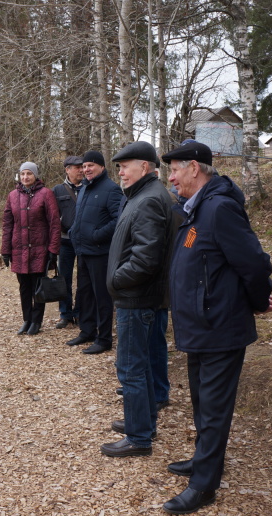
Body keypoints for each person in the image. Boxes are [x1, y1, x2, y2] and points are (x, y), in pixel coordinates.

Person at [162, 142, 272, 514]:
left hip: (219, 326)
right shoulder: (196, 209)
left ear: (194, 168)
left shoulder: (220, 207)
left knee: (213, 409)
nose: (171, 178)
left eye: (175, 170)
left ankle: (204, 485)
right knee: (200, 402)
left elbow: (254, 264)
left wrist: (257, 301)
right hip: (200, 325)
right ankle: (202, 460)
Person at [100, 141, 175, 458]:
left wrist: (117, 281)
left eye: (125, 166)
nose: (120, 172)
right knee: (140, 366)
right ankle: (142, 422)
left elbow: (146, 259)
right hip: (141, 297)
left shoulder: (148, 200)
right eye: (119, 166)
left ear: (145, 167)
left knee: (131, 368)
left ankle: (139, 436)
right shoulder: (144, 195)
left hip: (137, 299)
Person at [66, 150, 123, 354]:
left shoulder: (112, 189)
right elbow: (80, 217)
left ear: (101, 167)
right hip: (83, 251)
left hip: (100, 253)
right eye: (84, 166)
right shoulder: (84, 189)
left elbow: (119, 220)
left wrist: (98, 235)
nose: (86, 169)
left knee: (102, 297)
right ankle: (87, 331)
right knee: (85, 294)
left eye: (91, 165)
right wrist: (74, 232)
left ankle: (104, 338)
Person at [1, 162, 61, 335]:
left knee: (38, 285)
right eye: (22, 174)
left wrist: (53, 250)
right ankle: (26, 319)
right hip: (18, 249)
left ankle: (37, 320)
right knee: (24, 286)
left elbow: (54, 224)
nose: (25, 177)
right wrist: (5, 250)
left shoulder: (46, 194)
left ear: (35, 175)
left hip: (39, 249)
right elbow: (7, 225)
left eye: (29, 174)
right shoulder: (12, 196)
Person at [52, 156, 84, 329]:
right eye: (77, 167)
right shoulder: (57, 190)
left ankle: (80, 312)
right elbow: (52, 217)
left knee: (83, 278)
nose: (81, 170)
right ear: (67, 169)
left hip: (85, 241)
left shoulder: (89, 187)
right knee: (64, 278)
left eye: (82, 167)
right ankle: (65, 314)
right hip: (65, 241)